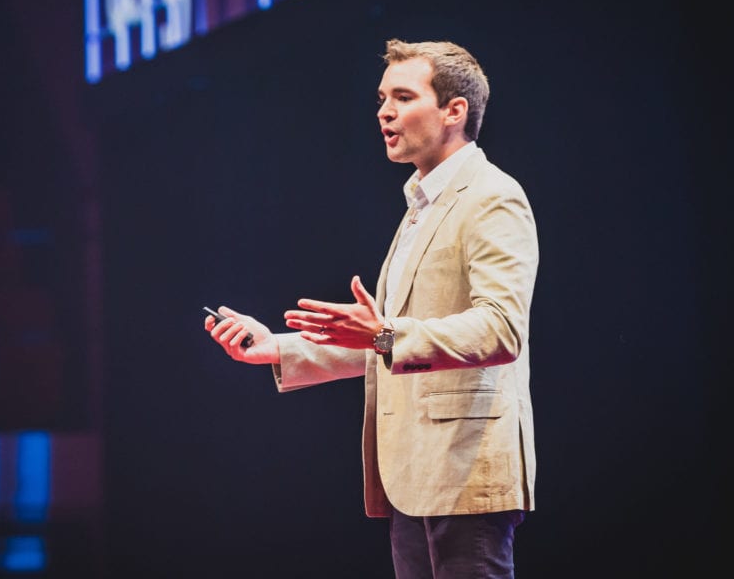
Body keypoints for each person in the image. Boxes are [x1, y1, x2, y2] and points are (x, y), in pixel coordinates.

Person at [204, 39, 539, 579]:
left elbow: (500, 329)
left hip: (465, 471)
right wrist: (279, 348)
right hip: (410, 474)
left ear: (454, 111)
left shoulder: (491, 196)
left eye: (403, 97)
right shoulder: (419, 209)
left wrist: (383, 333)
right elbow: (382, 343)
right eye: (383, 98)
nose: (384, 112)